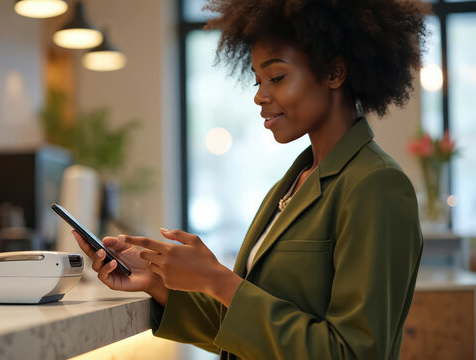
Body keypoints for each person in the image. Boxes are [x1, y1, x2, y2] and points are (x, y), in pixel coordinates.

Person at [72, 0, 429, 358]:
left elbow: (353, 353)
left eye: (277, 77)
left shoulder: (376, 185)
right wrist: (156, 279)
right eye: (258, 80)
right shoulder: (289, 186)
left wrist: (216, 279)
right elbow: (248, 333)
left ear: (335, 73)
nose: (259, 96)